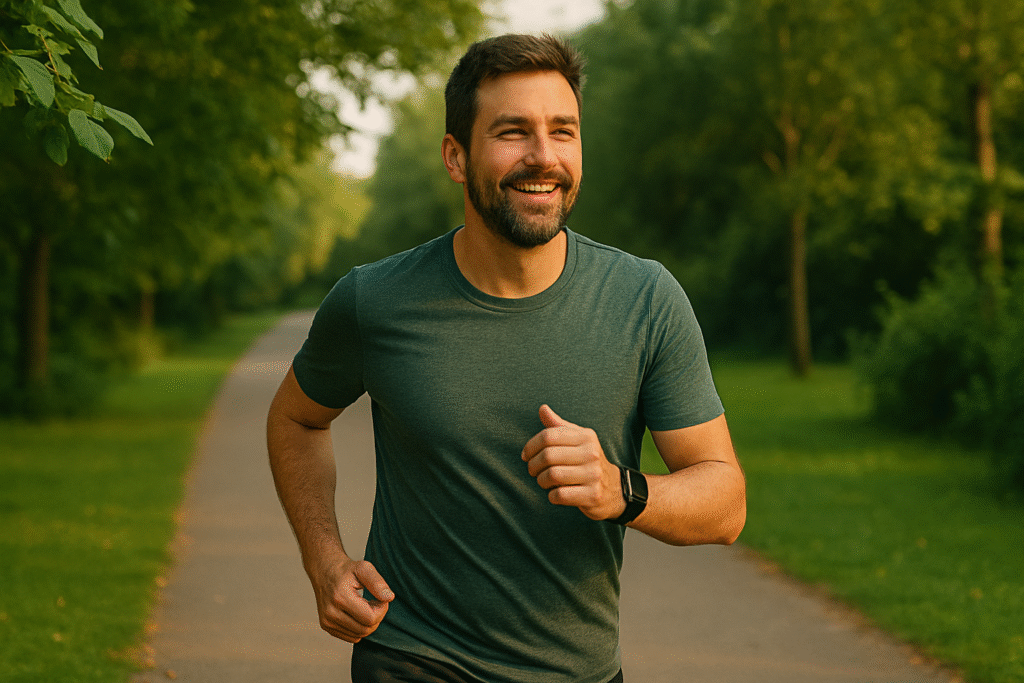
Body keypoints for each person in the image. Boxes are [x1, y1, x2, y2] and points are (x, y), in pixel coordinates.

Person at [267, 33, 746, 683]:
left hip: (580, 670)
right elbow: (296, 418)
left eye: (563, 131)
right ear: (456, 157)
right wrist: (324, 560)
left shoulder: (646, 299)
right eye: (513, 132)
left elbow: (725, 502)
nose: (543, 157)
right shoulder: (373, 301)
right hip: (413, 654)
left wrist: (619, 487)